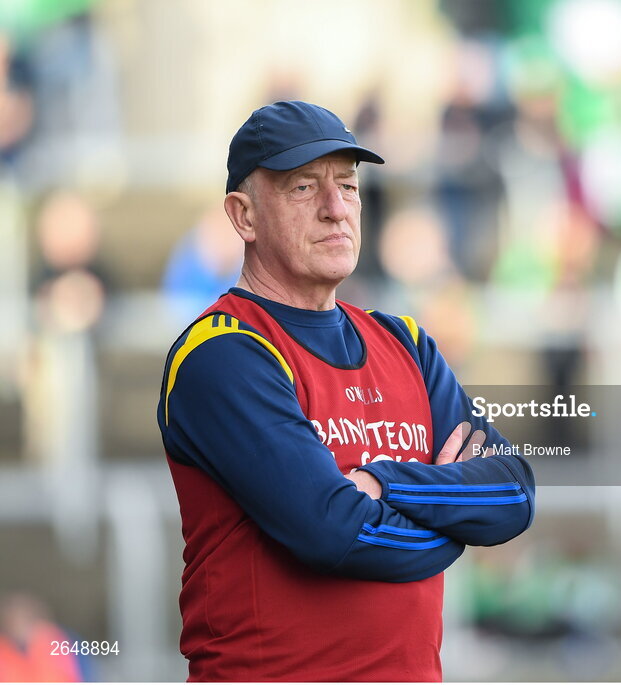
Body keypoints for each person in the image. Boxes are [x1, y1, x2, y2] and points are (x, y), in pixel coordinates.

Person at [156, 100, 535, 682]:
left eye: (349, 186)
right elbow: (330, 530)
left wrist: (383, 482)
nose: (336, 210)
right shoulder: (222, 353)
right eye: (304, 187)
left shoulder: (405, 341)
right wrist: (454, 523)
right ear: (244, 216)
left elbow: (513, 494)